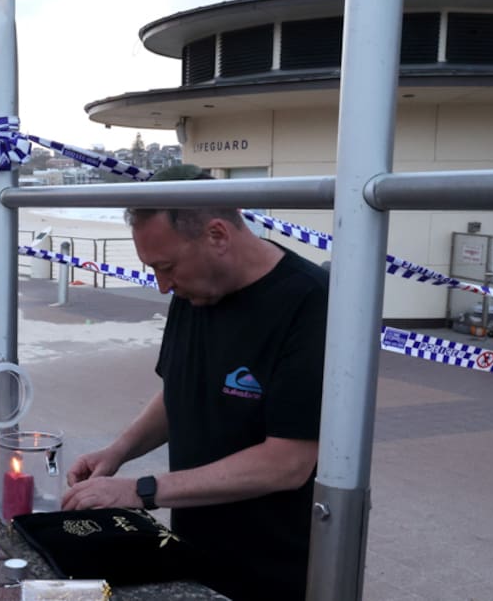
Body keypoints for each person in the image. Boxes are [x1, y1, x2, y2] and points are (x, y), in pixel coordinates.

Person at [62, 164, 329, 601]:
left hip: (277, 568)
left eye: (166, 267)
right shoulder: (198, 287)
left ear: (218, 235)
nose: (163, 286)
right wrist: (117, 453)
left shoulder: (310, 303)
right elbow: (181, 392)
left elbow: (287, 462)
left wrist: (140, 491)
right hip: (195, 548)